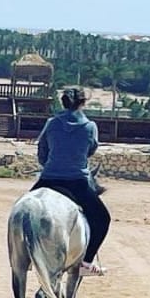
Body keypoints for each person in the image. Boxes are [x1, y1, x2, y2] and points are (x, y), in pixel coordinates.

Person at [32, 87, 110, 276]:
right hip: (77, 182)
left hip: (48, 179)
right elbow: (90, 151)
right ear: (83, 103)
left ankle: (25, 257)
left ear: (63, 102)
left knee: (22, 210)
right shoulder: (90, 126)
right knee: (102, 219)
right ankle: (86, 263)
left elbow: (42, 151)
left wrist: (50, 163)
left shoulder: (51, 123)